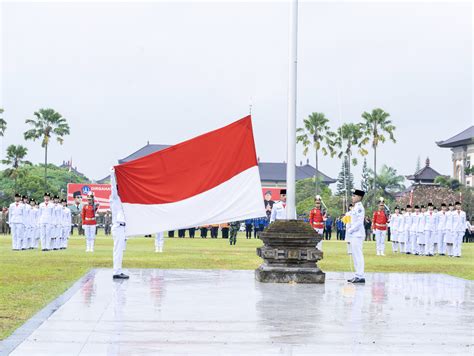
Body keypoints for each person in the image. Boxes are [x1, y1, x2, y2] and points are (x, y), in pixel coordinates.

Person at [110, 176, 129, 279]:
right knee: (118, 249)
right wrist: (112, 174)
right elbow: (113, 187)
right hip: (118, 227)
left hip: (123, 227)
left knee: (120, 250)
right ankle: (116, 271)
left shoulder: (122, 200)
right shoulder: (114, 198)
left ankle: (118, 270)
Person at [347, 189, 366, 284]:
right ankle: (357, 274)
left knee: (358, 255)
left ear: (359, 197)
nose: (352, 197)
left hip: (357, 234)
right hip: (354, 234)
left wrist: (351, 230)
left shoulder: (359, 208)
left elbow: (359, 222)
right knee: (355, 255)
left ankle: (360, 275)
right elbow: (350, 219)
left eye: (354, 196)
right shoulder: (355, 207)